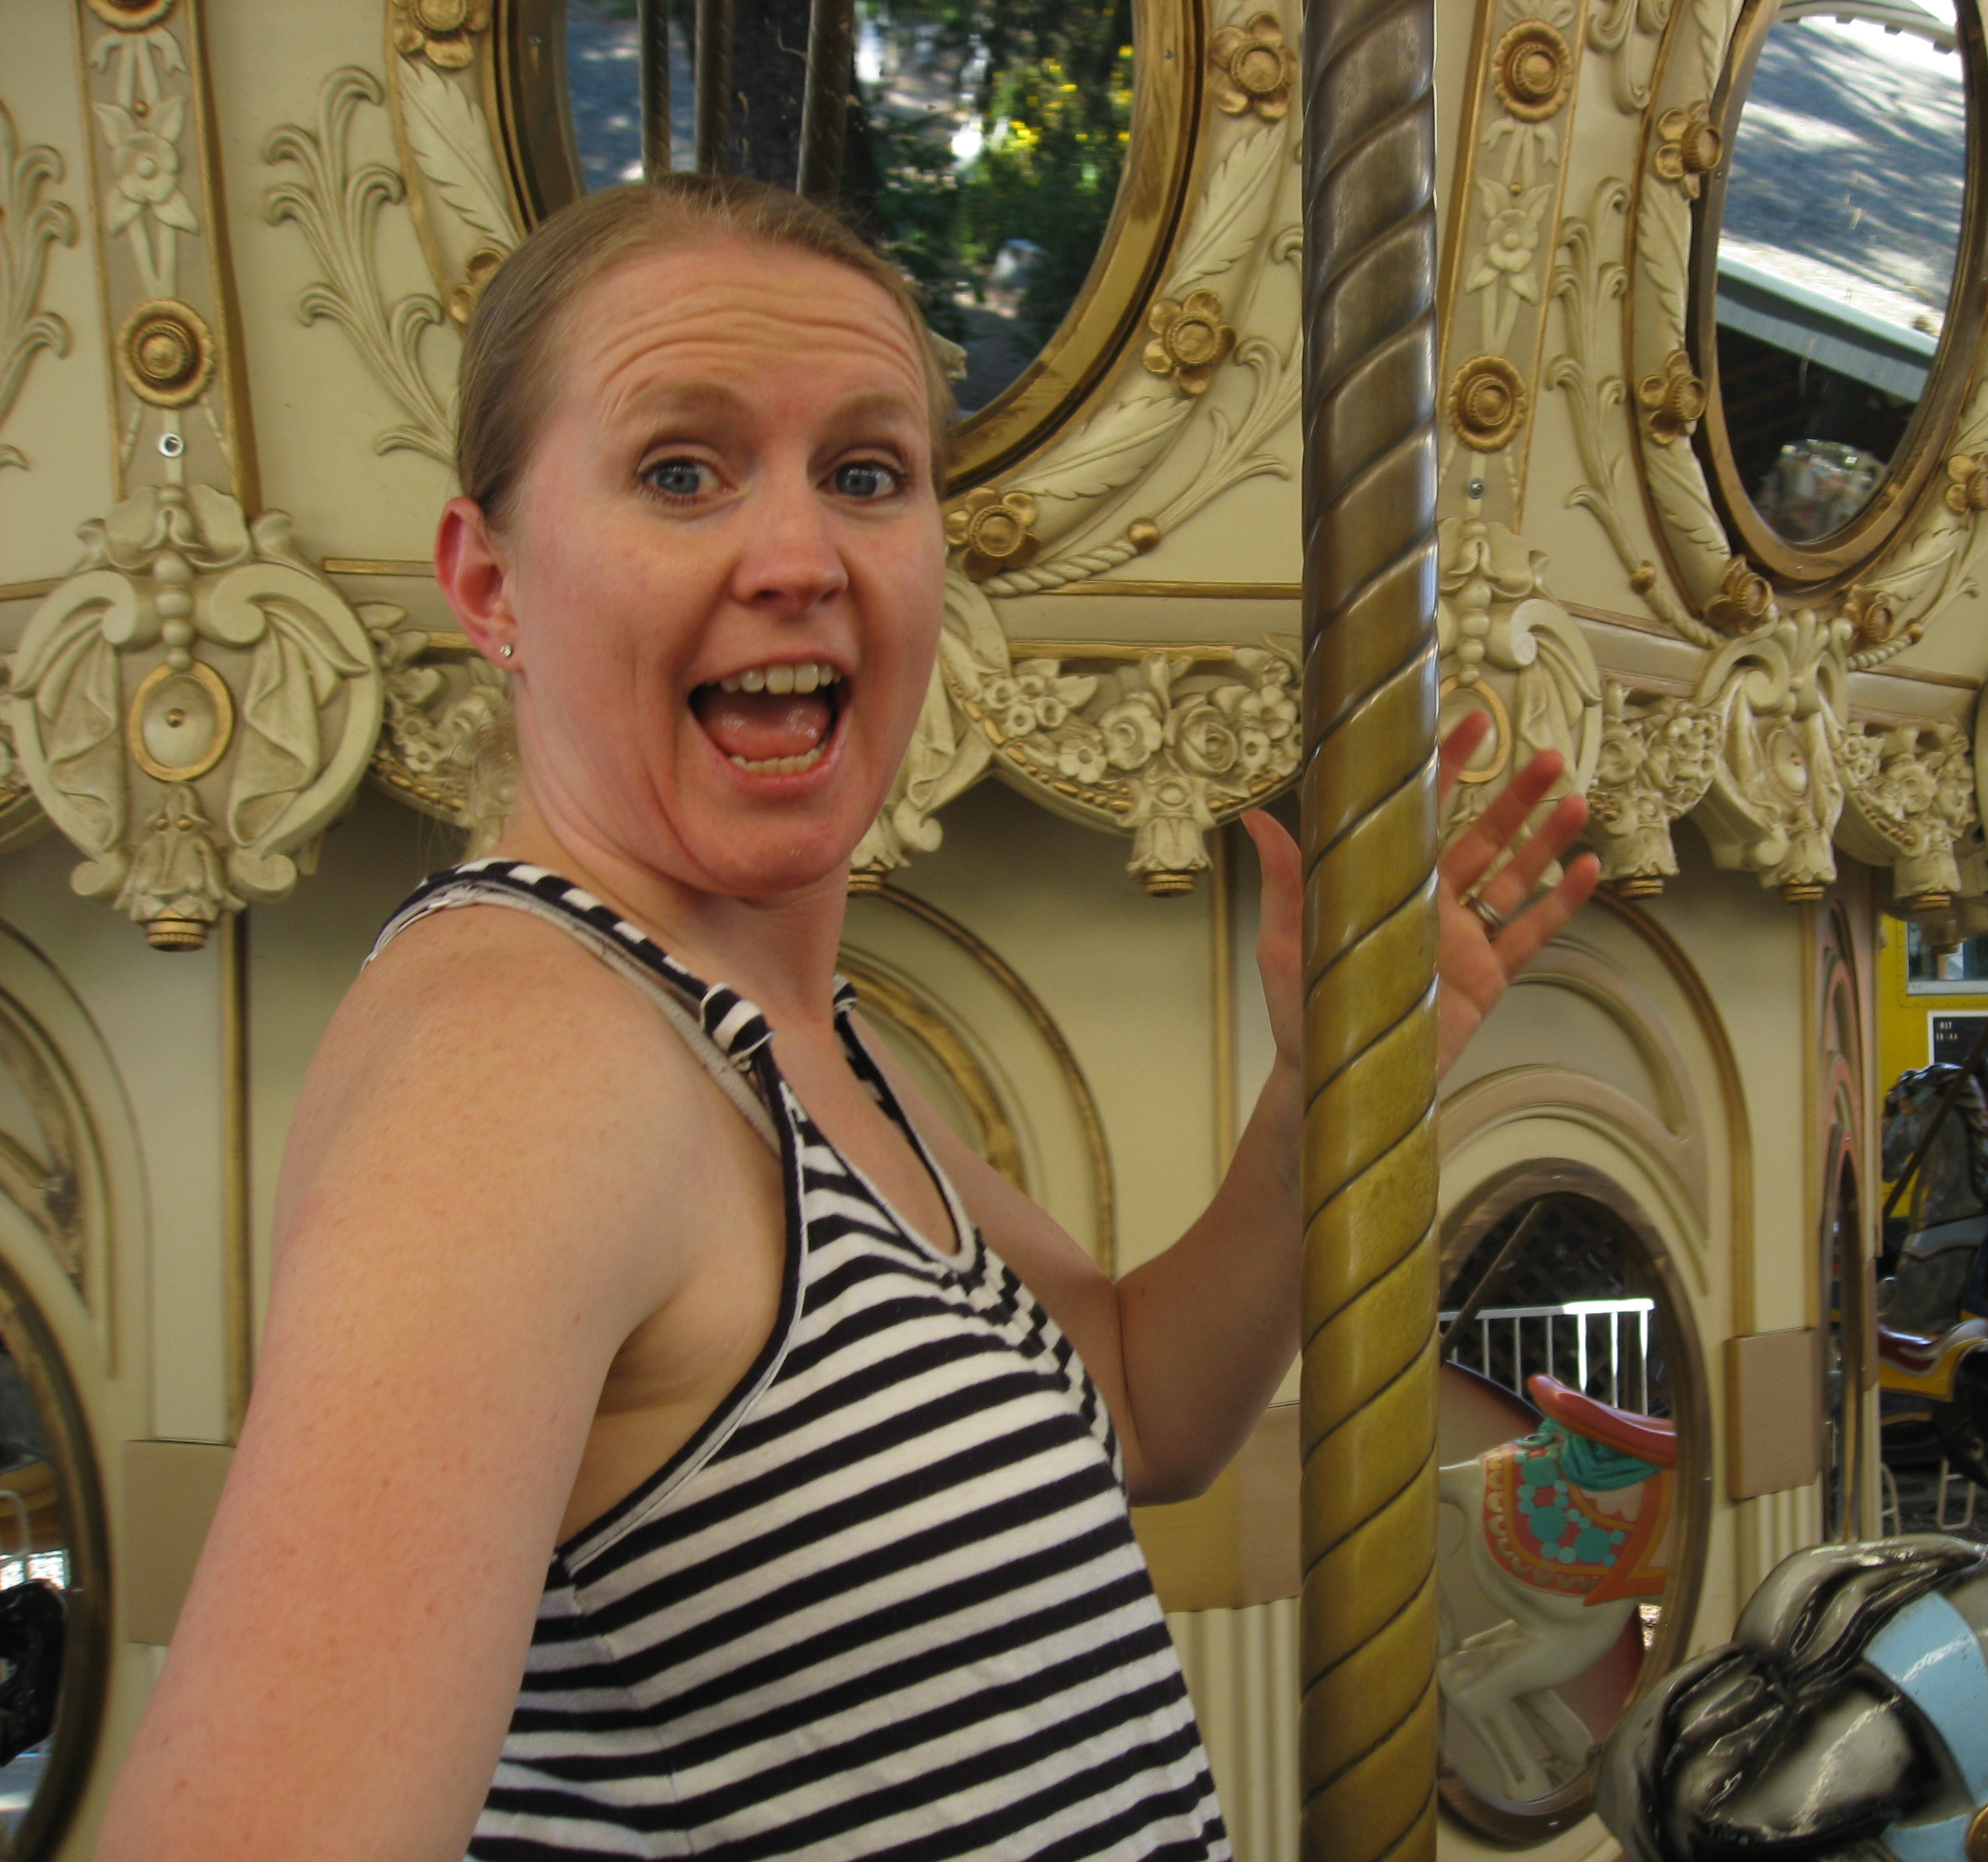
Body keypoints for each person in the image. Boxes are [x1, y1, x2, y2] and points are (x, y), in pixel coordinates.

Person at [94, 173, 1599, 1861]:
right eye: (682, 471)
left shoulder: (790, 1043)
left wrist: (1327, 1095)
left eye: (868, 474)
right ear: (491, 583)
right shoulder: (524, 1061)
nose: (801, 559)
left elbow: (1136, 1405)